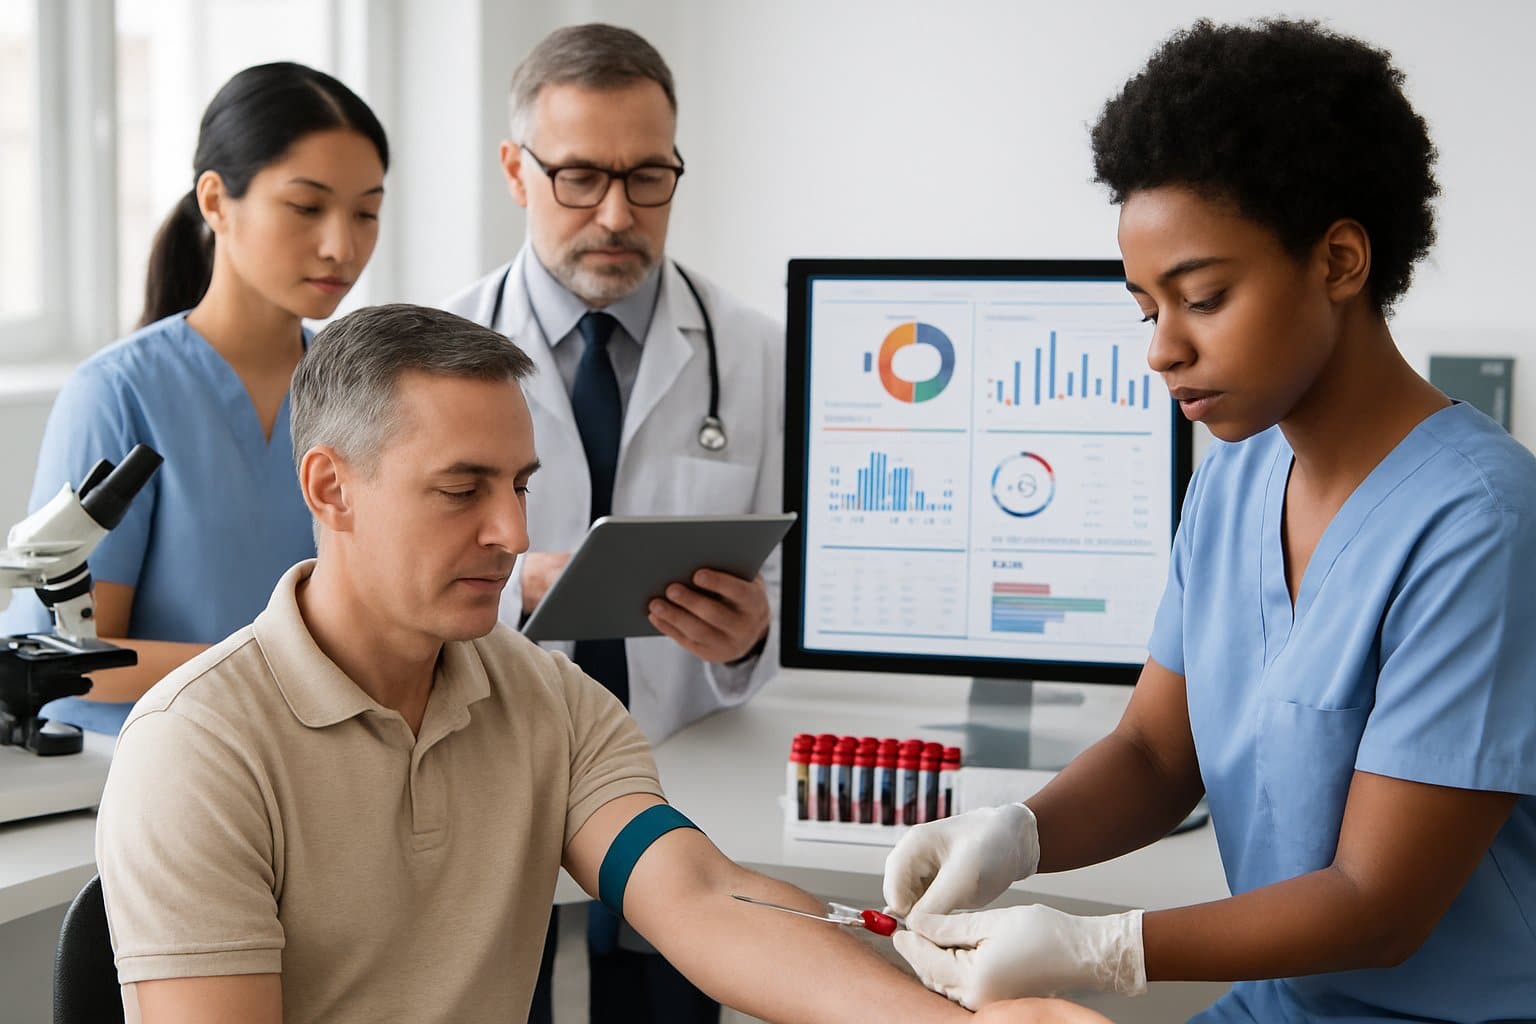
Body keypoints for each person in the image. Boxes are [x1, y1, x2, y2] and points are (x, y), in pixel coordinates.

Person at [94, 302, 1107, 1024]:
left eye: (521, 483)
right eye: (462, 488)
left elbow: (701, 897)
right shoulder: (198, 750)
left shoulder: (541, 697)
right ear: (331, 487)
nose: (511, 529)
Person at [882, 18, 1536, 1022]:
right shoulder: (1234, 481)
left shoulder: (1480, 525)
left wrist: (1104, 946)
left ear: (1342, 260)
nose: (1163, 350)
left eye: (1205, 297)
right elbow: (1154, 753)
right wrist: (1016, 833)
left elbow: (1379, 906)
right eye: (1150, 310)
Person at [440, 24, 782, 1022]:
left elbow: (792, 587)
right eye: (581, 176)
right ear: (516, 169)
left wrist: (747, 637)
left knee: (674, 995)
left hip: (684, 762)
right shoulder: (435, 351)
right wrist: (514, 588)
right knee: (507, 992)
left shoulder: (757, 352)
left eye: (649, 177)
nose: (618, 214)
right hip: (488, 754)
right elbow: (388, 577)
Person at [0, 62, 388, 736]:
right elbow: (68, 660)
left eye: (366, 213)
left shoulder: (364, 387)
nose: (341, 246)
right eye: (306, 207)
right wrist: (281, 667)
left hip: (325, 759)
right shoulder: (119, 393)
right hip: (147, 769)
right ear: (215, 201)